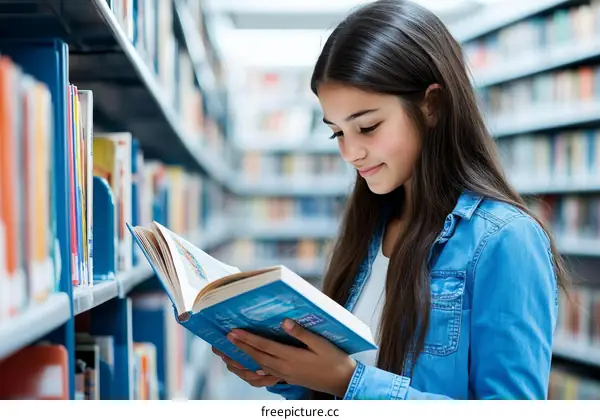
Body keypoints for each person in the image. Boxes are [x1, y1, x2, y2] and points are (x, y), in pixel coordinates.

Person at [212, 0, 569, 400]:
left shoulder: (506, 241)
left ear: (432, 105)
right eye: (337, 133)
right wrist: (287, 371)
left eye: (367, 126)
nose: (350, 153)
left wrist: (348, 381)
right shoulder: (370, 228)